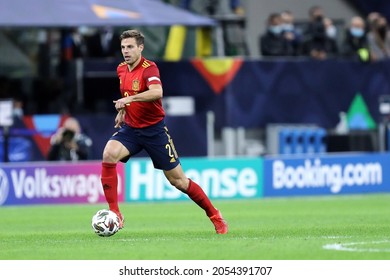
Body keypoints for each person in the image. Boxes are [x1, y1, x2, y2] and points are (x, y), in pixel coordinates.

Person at [100, 29, 228, 234]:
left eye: (130, 47)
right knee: (109, 153)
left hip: (154, 132)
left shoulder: (149, 68)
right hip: (131, 129)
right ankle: (115, 212)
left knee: (179, 181)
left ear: (140, 48)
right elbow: (127, 93)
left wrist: (129, 100)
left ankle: (215, 215)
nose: (126, 51)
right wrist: (124, 109)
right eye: (123, 47)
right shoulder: (121, 69)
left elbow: (157, 92)